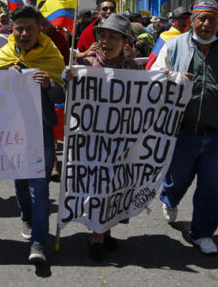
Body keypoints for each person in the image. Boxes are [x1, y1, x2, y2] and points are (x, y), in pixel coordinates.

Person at [151, 0, 218, 255]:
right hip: (182, 133)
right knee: (177, 181)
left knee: (212, 186)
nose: (207, 24)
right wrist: (172, 78)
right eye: (202, 19)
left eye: (213, 20)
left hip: (217, 134)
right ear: (192, 21)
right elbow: (153, 77)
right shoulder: (173, 47)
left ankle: (203, 233)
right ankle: (170, 198)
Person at [0, 6, 65, 264]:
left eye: (29, 28)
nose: (24, 33)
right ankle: (27, 218)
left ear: (39, 29)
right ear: (12, 29)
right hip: (10, 132)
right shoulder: (3, 55)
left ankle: (38, 243)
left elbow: (62, 95)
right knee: (21, 183)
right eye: (19, 28)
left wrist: (50, 85)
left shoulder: (52, 55)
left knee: (40, 187)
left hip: (40, 132)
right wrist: (2, 76)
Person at [64, 14, 140, 261]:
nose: (106, 41)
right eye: (103, 36)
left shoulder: (133, 68)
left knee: (114, 186)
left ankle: (105, 231)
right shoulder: (87, 65)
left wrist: (173, 81)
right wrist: (69, 75)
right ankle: (97, 235)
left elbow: (146, 95)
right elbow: (67, 86)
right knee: (97, 185)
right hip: (92, 138)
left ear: (125, 42)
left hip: (121, 137)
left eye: (113, 37)